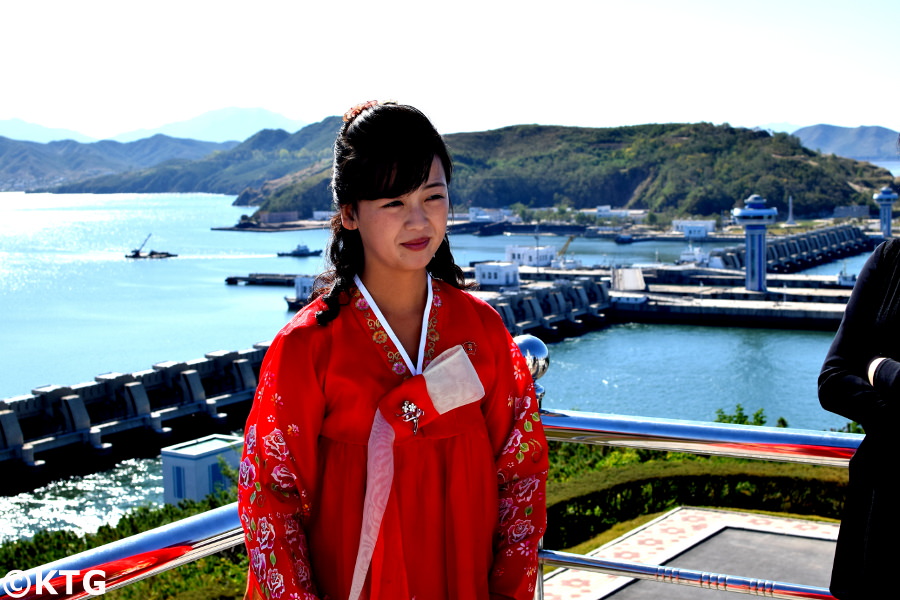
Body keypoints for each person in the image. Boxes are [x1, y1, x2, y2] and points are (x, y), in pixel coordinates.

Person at [238, 101, 548, 600]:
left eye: (432, 197)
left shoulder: (483, 329)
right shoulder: (307, 347)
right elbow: (271, 501)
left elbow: (522, 473)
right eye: (393, 203)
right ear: (349, 214)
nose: (419, 219)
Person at [819, 236, 900, 599]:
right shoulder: (890, 259)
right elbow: (833, 380)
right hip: (876, 507)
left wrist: (877, 367)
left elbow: (852, 367)